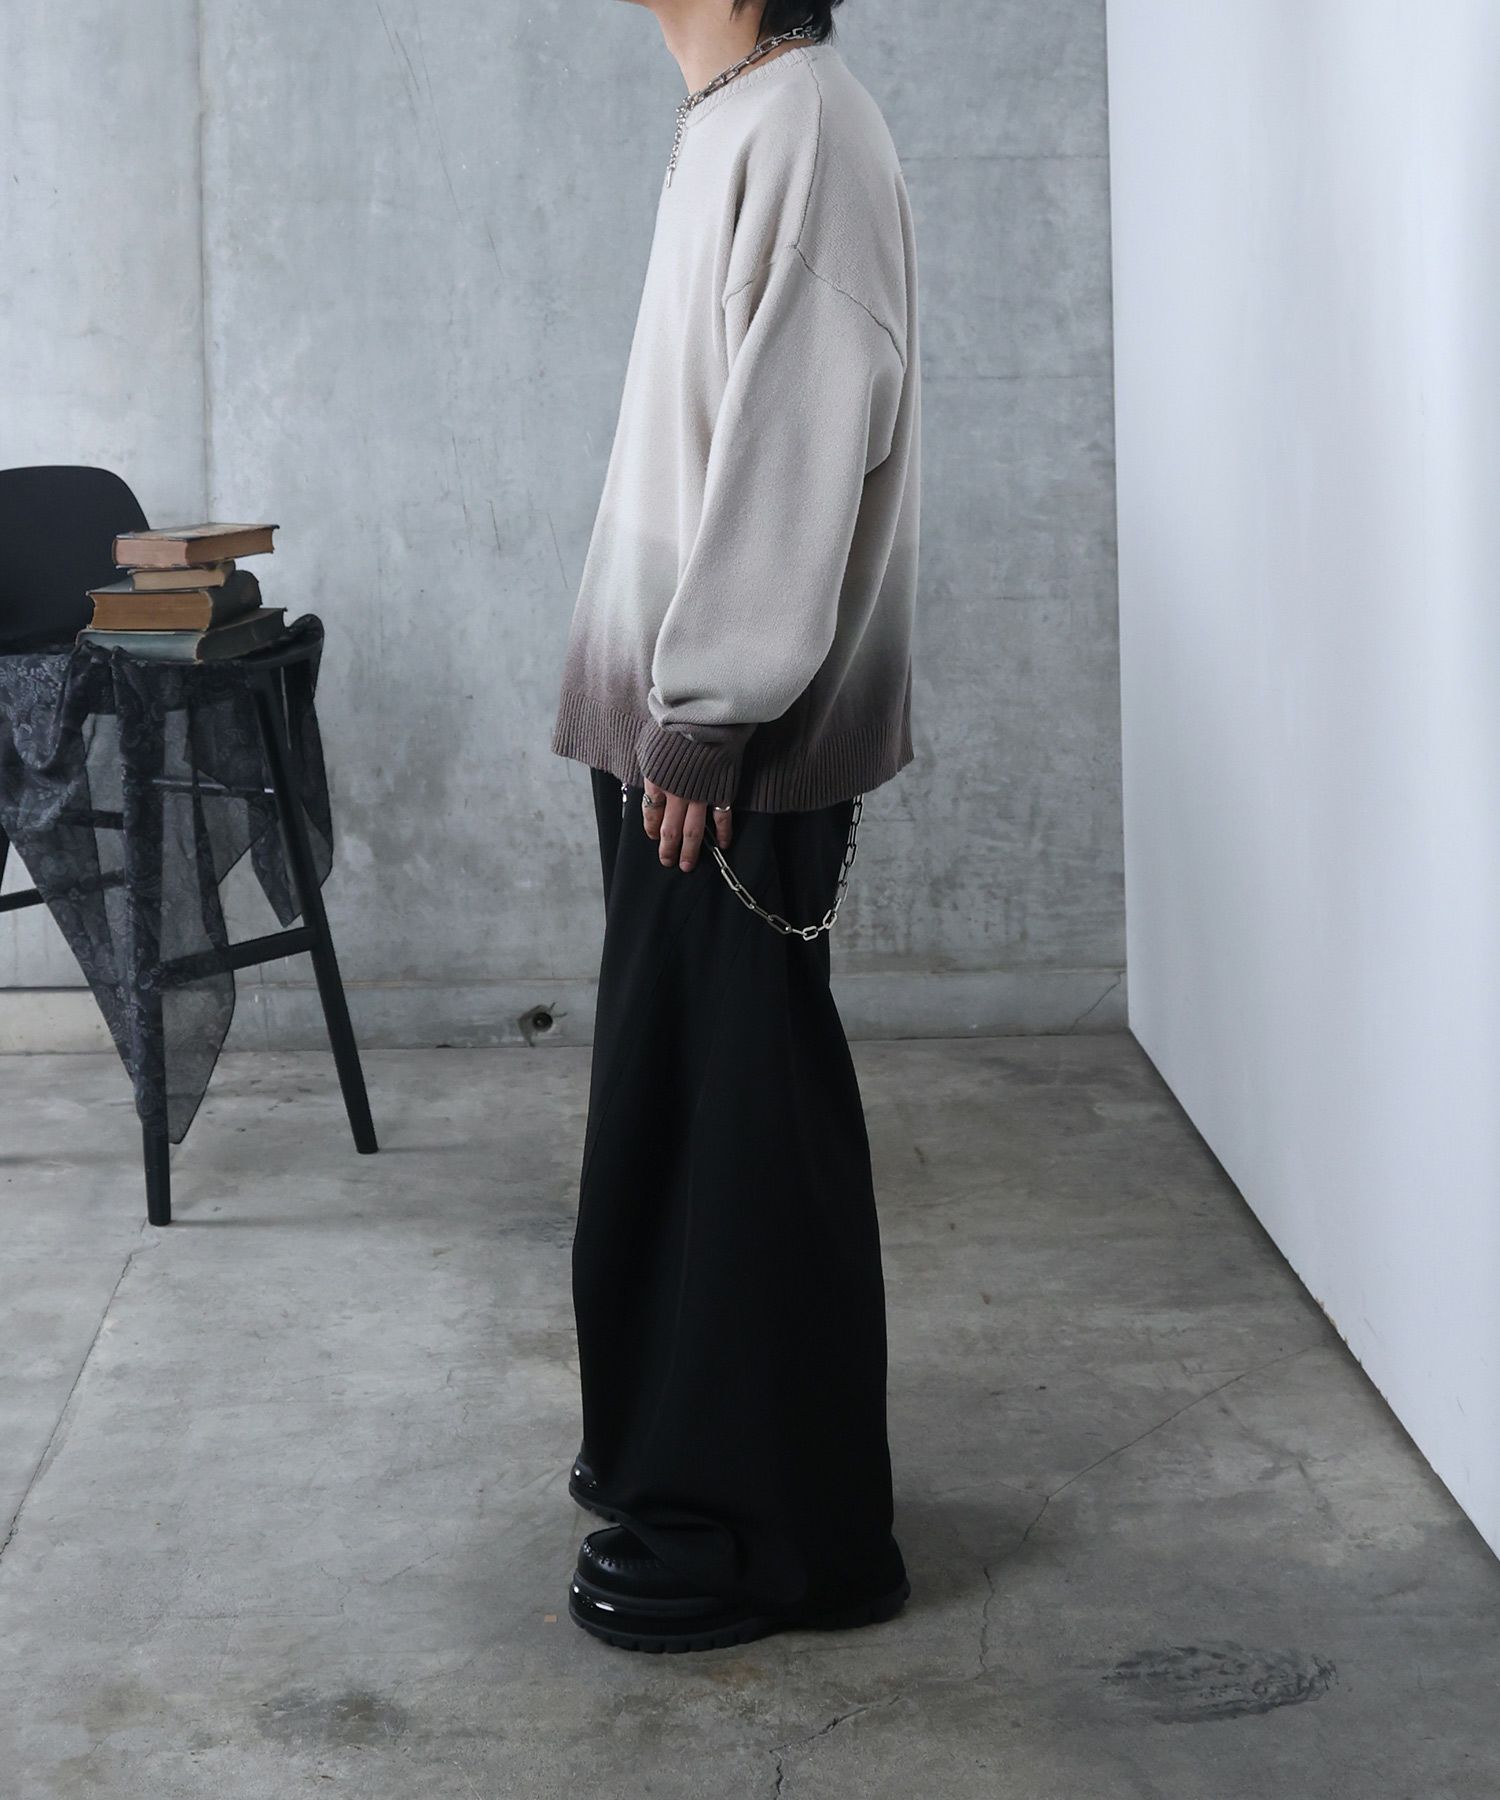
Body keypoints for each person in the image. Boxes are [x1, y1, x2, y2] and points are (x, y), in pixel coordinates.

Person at [548, 0, 921, 1652]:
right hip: (670, 720)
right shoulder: (739, 118)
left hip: (725, 742)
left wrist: (706, 711)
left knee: (742, 1128)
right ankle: (674, 1463)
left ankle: (783, 1541)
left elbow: (805, 436)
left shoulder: (806, 127)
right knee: (683, 1107)